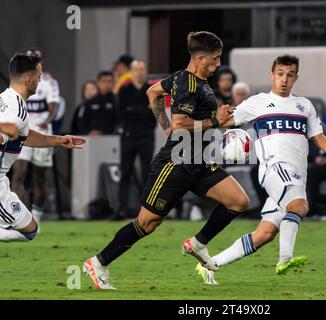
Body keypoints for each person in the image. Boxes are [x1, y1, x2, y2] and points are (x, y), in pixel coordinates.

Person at [82, 31, 249, 290]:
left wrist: (166, 125)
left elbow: (152, 92)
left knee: (238, 201)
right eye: (215, 59)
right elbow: (182, 125)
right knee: (147, 223)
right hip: (176, 163)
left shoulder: (191, 80)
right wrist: (213, 121)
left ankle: (197, 244)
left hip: (199, 160)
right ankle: (98, 263)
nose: (218, 64)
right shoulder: (188, 83)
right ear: (201, 58)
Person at [195, 55, 326, 285]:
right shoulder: (257, 102)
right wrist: (200, 123)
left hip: (296, 175)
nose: (284, 79)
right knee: (299, 206)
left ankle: (209, 264)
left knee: (265, 234)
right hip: (274, 168)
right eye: (280, 74)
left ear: (296, 78)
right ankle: (285, 259)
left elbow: (319, 138)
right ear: (271, 75)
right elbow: (223, 121)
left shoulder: (304, 106)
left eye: (289, 75)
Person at [0, 53, 85, 243]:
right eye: (38, 78)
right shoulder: (17, 111)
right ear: (28, 79)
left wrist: (58, 140)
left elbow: (23, 134)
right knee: (29, 232)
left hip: (3, 179)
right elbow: (12, 130)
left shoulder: (6, 98)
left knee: (31, 230)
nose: (40, 82)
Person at [10, 49, 60, 222]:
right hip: (24, 130)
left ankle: (36, 217)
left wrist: (47, 119)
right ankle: (17, 217)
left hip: (42, 131)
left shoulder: (49, 82)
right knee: (19, 173)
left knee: (40, 178)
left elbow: (54, 106)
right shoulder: (18, 82)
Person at [112, 60, 157, 220]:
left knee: (147, 173)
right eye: (136, 69)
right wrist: (142, 111)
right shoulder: (124, 90)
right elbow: (121, 114)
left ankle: (147, 210)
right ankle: (121, 209)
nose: (139, 72)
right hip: (128, 137)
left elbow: (154, 115)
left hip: (146, 137)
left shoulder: (151, 90)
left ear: (145, 71)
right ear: (131, 71)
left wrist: (134, 110)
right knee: (125, 172)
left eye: (142, 69)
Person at [80, 71, 118, 135]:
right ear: (98, 83)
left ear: (113, 83)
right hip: (93, 138)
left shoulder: (117, 101)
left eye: (109, 81)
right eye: (104, 81)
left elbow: (120, 121)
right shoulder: (90, 102)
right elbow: (82, 122)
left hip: (112, 137)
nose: (106, 84)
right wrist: (88, 132)